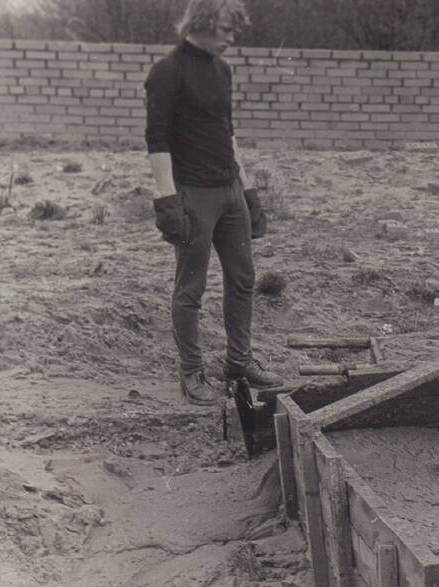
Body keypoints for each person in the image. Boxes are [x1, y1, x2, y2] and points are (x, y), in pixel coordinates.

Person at [144, 0, 282, 406]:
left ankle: (238, 362)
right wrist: (168, 199)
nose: (232, 37)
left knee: (242, 279)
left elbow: (228, 134)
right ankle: (191, 373)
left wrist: (249, 189)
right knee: (191, 287)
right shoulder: (166, 72)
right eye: (225, 28)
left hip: (229, 192)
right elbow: (157, 141)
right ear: (202, 22)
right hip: (192, 195)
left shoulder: (223, 71)